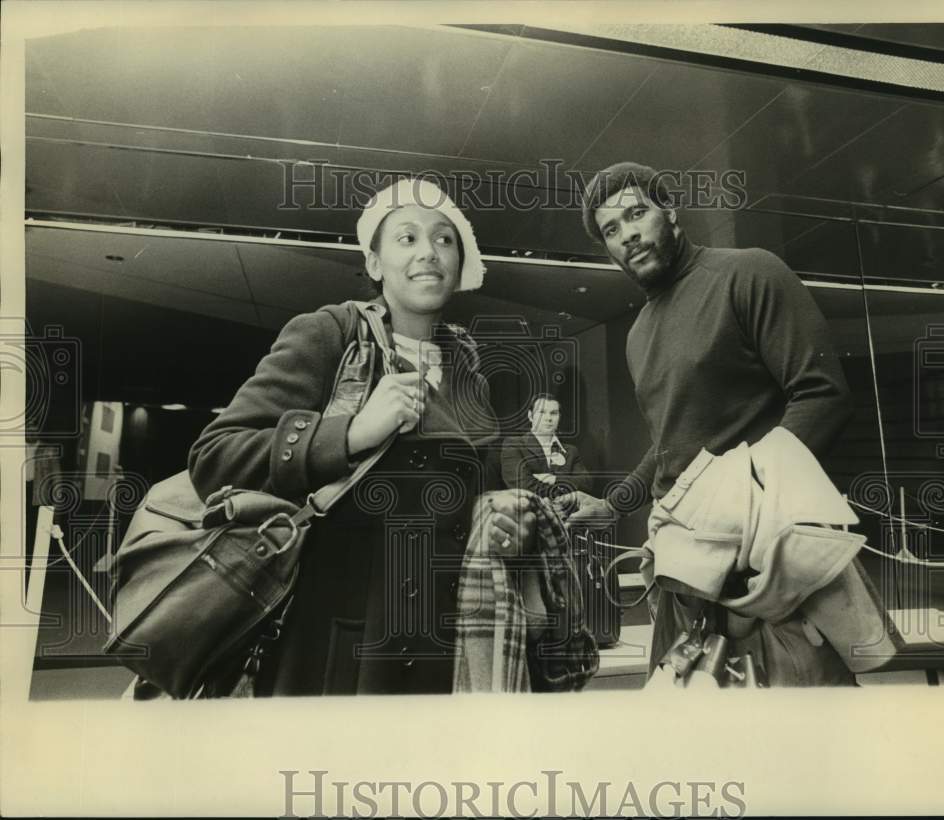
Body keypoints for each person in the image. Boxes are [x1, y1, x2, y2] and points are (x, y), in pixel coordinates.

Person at [188, 178, 535, 696]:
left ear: (459, 266)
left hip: (446, 647)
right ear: (374, 264)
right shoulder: (333, 334)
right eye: (407, 238)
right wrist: (348, 433)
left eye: (444, 240)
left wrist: (504, 519)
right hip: (337, 651)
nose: (428, 253)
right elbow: (215, 456)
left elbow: (468, 505)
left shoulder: (469, 371)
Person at [558, 162, 856, 686]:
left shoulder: (748, 273)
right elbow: (669, 442)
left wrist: (750, 509)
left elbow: (822, 393)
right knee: (691, 738)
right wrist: (614, 505)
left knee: (802, 738)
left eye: (637, 213)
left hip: (766, 567)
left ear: (670, 211)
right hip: (683, 568)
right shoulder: (638, 335)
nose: (628, 233)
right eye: (611, 229)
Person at [501, 393, 593, 499]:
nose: (548, 418)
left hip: (569, 513)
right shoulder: (514, 445)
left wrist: (555, 479)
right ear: (530, 416)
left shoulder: (571, 451)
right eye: (542, 412)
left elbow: (587, 483)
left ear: (559, 417)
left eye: (554, 413)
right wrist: (564, 493)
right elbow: (523, 486)